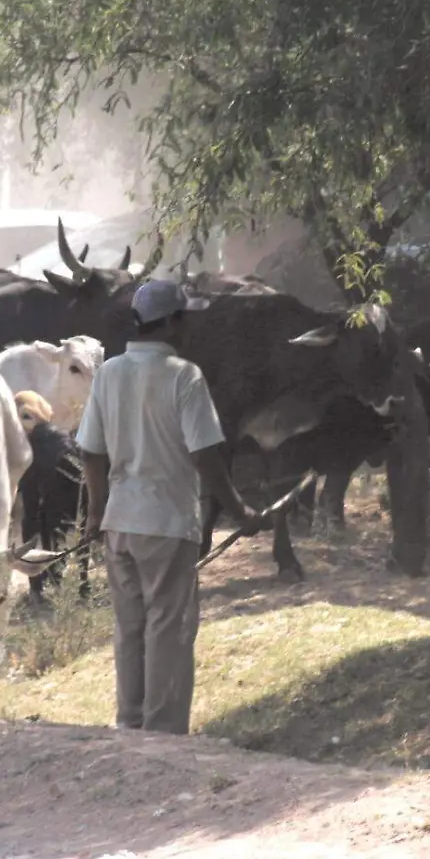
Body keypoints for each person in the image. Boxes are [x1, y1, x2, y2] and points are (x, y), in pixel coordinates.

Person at [76, 279, 265, 735]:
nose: (190, 328)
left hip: (120, 523)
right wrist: (241, 512)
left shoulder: (110, 373)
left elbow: (91, 452)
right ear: (172, 323)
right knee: (167, 629)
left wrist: (96, 511)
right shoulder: (185, 376)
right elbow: (206, 457)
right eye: (187, 318)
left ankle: (130, 724)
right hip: (166, 524)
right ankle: (161, 734)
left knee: (130, 630)